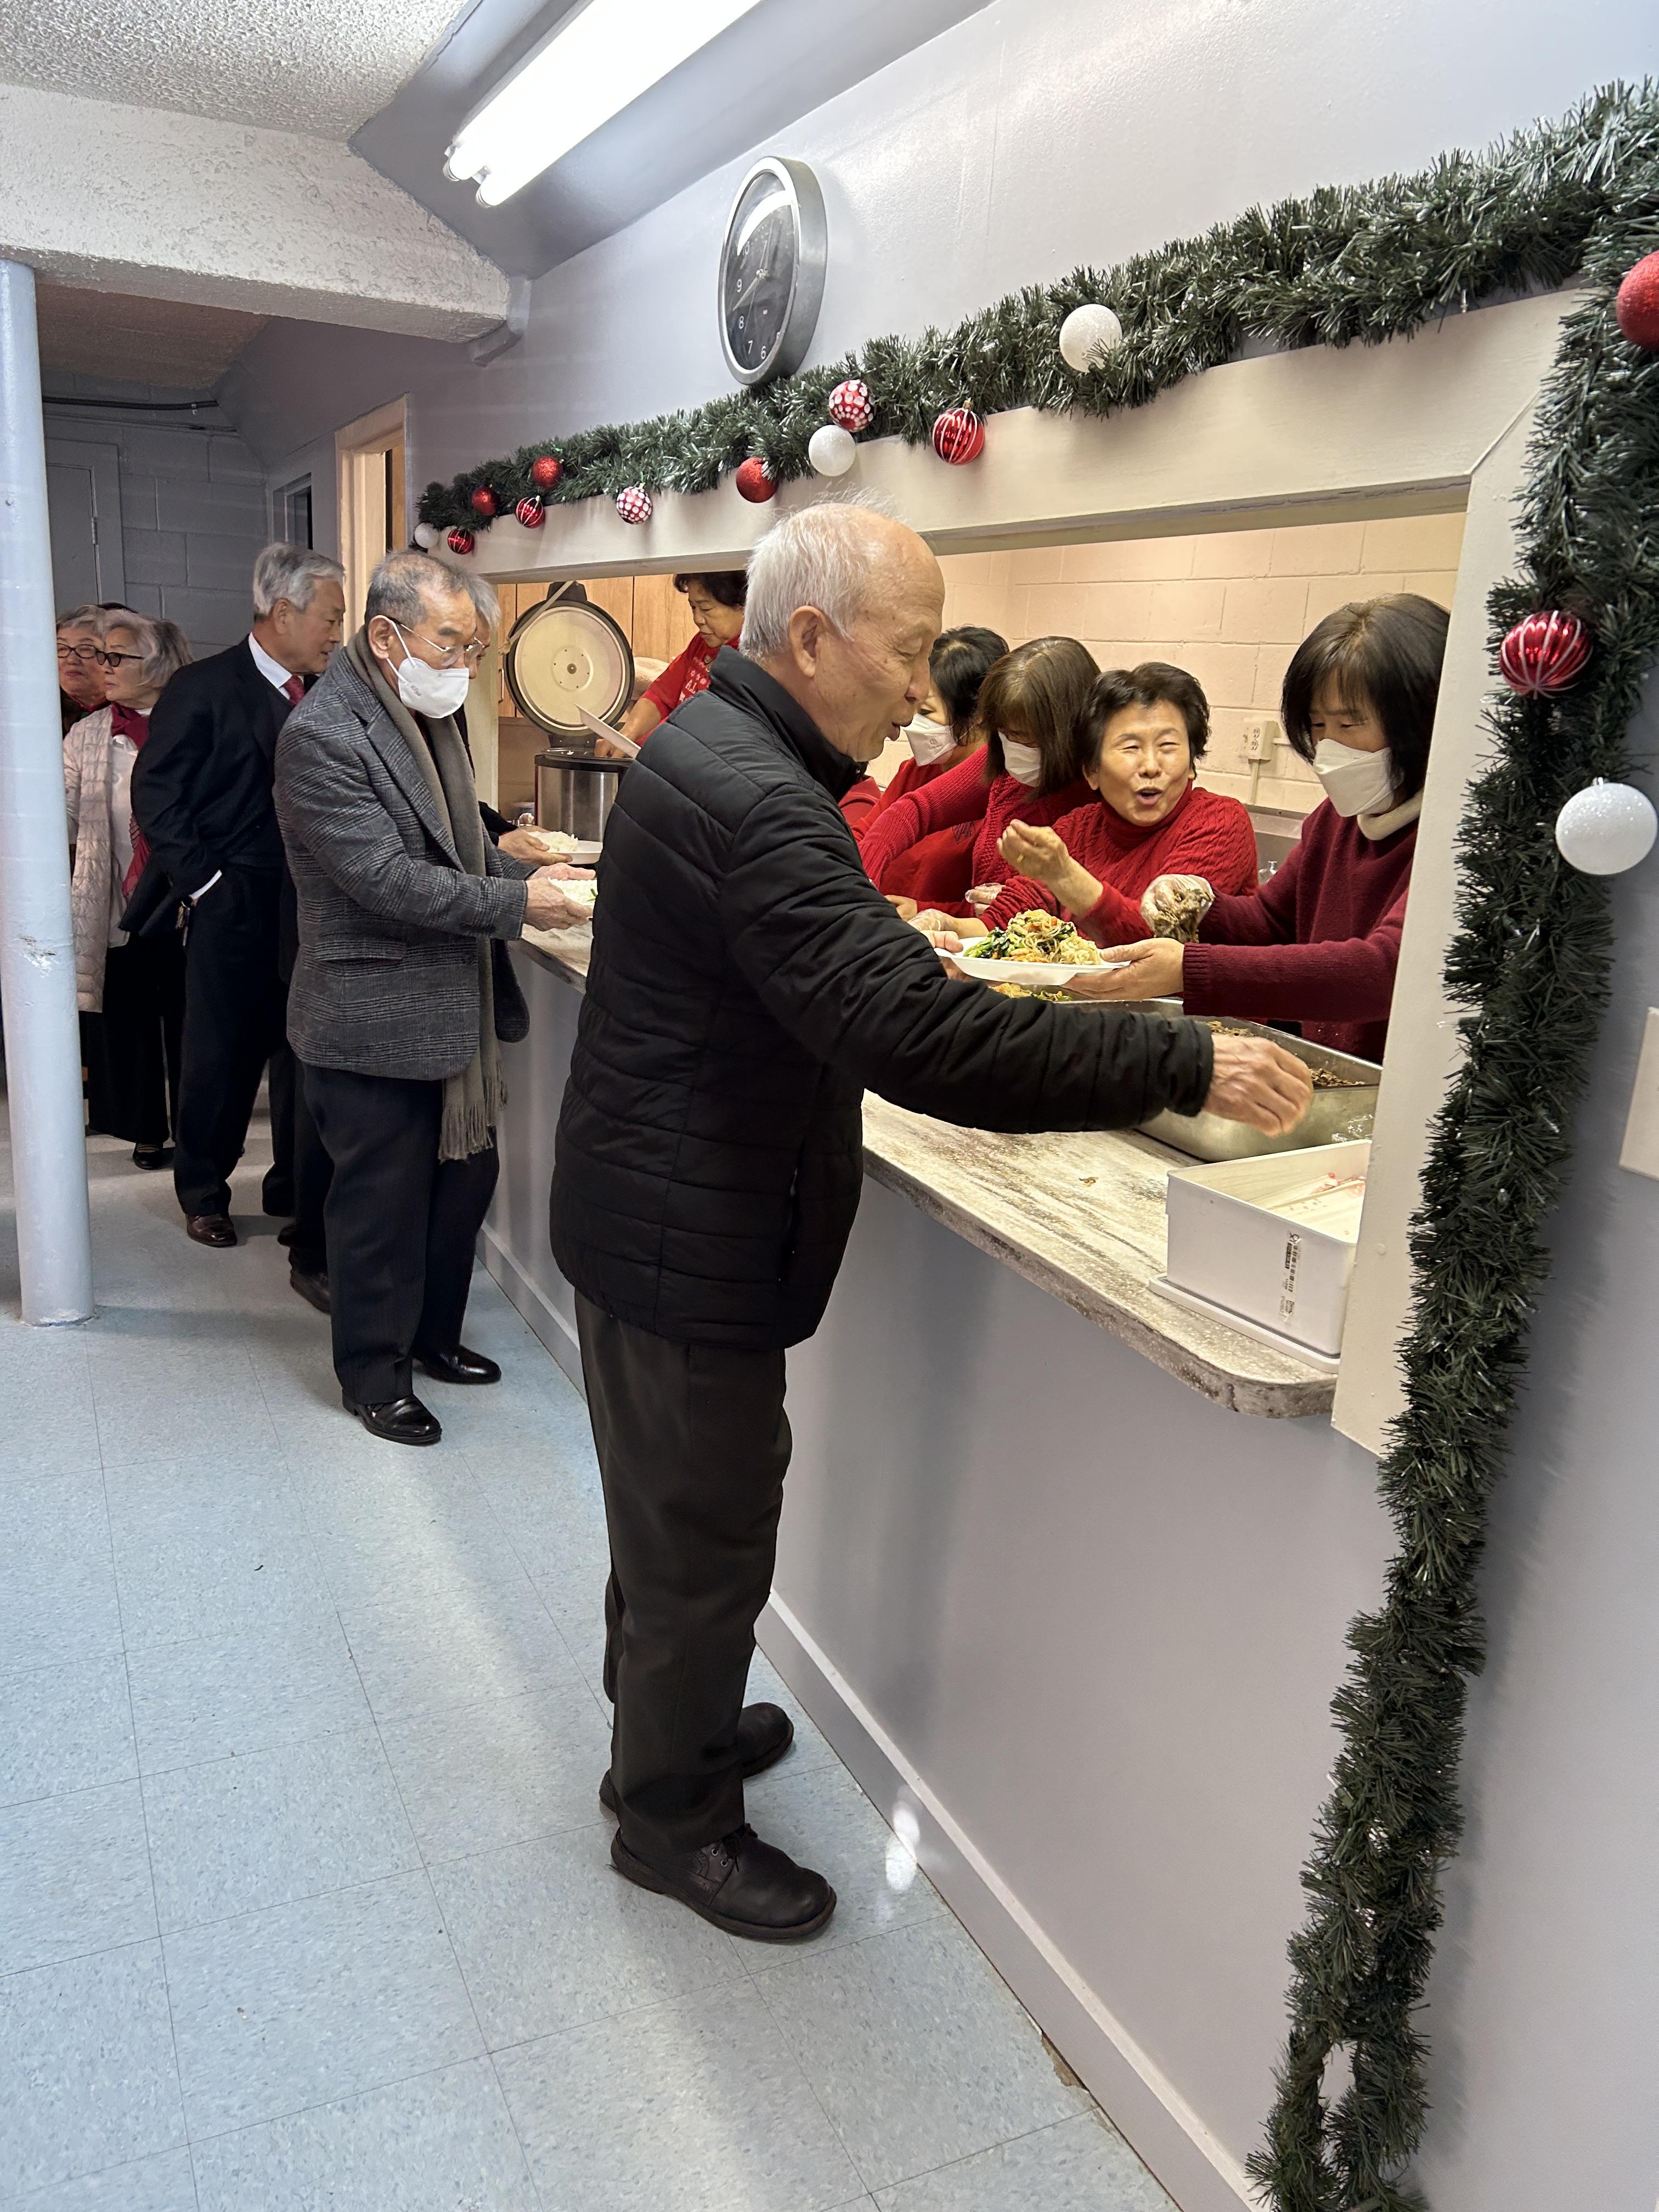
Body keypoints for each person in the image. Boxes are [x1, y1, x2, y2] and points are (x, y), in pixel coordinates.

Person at [549, 501, 1313, 1943]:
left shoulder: (719, 746)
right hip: (682, 1232)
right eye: (906, 653)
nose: (920, 688)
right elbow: (923, 1041)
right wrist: (1179, 1056)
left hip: (655, 1208)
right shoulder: (758, 797)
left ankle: (666, 1733)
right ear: (812, 636)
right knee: (703, 1537)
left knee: (667, 1521)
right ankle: (671, 1821)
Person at [275, 550, 595, 1447]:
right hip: (370, 1016)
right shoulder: (323, 735)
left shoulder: (426, 712)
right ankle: (374, 1376)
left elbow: (458, 852)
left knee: (462, 1184)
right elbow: (386, 879)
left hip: (449, 1009)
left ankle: (431, 1337)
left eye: (474, 648)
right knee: (381, 1206)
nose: (464, 664)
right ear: (385, 637)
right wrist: (519, 905)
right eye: (450, 643)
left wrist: (525, 873)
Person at [1066, 595, 1451, 1062]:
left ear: (1421, 722)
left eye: (1350, 724)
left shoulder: (1455, 837)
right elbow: (1271, 921)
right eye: (1318, 725)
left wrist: (1190, 970)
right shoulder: (1336, 820)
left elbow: (1382, 970)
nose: (1329, 748)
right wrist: (1203, 907)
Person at [131, 545, 346, 1246]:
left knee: (302, 1053)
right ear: (283, 613)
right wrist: (207, 886)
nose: (336, 633)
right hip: (233, 896)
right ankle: (203, 1191)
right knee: (220, 1055)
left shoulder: (330, 691)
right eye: (330, 618)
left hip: (312, 902)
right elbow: (156, 795)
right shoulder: (203, 687)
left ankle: (292, 1186)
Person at [955, 662, 1259, 941]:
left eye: (1168, 746)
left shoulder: (1219, 821)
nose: (1151, 766)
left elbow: (1161, 937)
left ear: (1192, 763)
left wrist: (1064, 875)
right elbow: (1020, 907)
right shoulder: (1080, 827)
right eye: (1131, 748)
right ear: (1092, 772)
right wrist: (953, 931)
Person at [64, 612, 191, 1166]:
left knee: (192, 1024)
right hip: (119, 901)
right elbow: (65, 817)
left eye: (116, 657)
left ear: (158, 665)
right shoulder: (88, 734)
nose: (103, 666)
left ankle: (197, 1132)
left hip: (188, 902)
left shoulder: (191, 721)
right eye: (103, 655)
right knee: (129, 1018)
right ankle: (146, 1129)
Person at [857, 635, 1098, 915]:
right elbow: (916, 810)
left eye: (1024, 737)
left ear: (1064, 734)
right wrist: (863, 882)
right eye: (1003, 733)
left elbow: (1028, 914)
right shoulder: (1001, 763)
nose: (1011, 746)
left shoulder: (1092, 804)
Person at [840, 624, 1006, 860]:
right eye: (913, 706)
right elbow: (865, 833)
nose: (911, 721)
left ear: (978, 714)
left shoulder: (999, 794)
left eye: (926, 712)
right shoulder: (917, 771)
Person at [607, 571, 748, 751]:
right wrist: (625, 736)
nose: (697, 619)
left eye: (706, 609)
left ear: (744, 606)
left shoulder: (754, 661)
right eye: (693, 608)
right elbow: (660, 696)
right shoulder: (702, 643)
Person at [57, 606, 106, 733]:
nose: (71, 660)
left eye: (86, 649)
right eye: (62, 649)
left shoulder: (133, 711)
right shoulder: (39, 709)